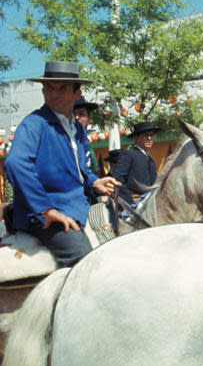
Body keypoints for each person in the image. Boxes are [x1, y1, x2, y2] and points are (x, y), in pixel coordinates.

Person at [3, 61, 121, 267]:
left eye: (63, 88)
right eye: (50, 88)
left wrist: (94, 182)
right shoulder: (34, 124)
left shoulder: (77, 128)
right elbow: (15, 163)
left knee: (116, 240)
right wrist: (45, 208)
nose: (54, 94)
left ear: (78, 93)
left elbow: (80, 169)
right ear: (43, 91)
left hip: (78, 206)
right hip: (43, 214)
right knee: (85, 260)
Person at [111, 121, 159, 207]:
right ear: (136, 137)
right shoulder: (129, 155)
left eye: (151, 135)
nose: (149, 138)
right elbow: (117, 178)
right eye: (145, 135)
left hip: (149, 205)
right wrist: (129, 200)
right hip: (133, 207)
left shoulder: (151, 161)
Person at [73, 95, 99, 174]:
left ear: (88, 120)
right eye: (73, 114)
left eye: (81, 114)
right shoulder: (64, 138)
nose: (77, 117)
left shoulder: (86, 142)